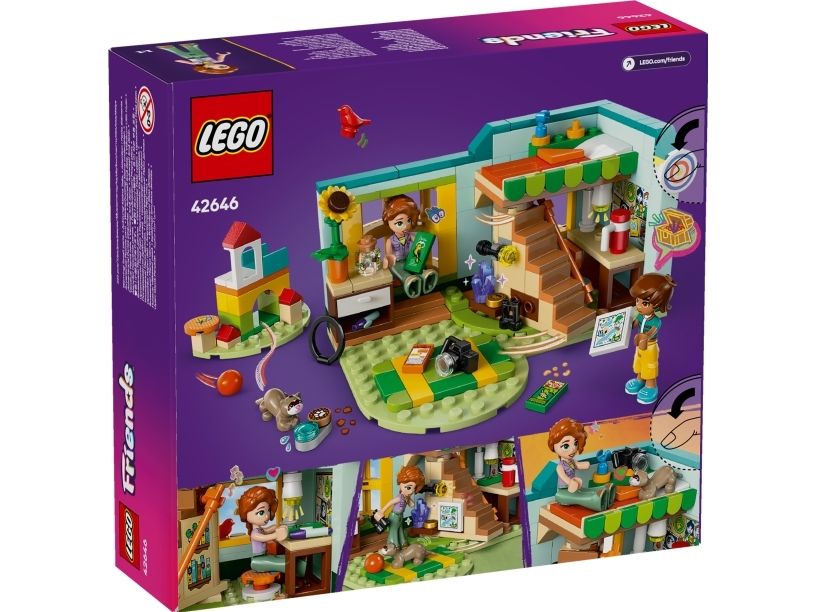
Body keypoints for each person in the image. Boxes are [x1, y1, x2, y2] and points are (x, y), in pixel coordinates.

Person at [625, 273, 677, 404]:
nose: (639, 306)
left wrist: (645, 337)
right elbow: (634, 324)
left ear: (657, 304)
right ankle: (639, 379)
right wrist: (624, 323)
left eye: (645, 303)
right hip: (639, 346)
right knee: (639, 363)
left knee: (649, 366)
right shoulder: (640, 315)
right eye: (637, 301)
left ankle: (651, 386)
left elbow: (652, 331)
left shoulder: (656, 321)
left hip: (650, 347)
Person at [548, 418, 615, 511]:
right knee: (580, 496)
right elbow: (564, 477)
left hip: (575, 486)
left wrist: (585, 465)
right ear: (554, 447)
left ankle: (603, 489)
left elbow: (579, 465)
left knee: (584, 490)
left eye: (575, 443)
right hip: (564, 491)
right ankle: (596, 500)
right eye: (566, 446)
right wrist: (570, 482)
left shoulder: (572, 461)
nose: (573, 449)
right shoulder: (560, 467)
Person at [237, 486, 303, 578]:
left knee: (284, 557)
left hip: (265, 556)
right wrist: (276, 535)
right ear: (246, 515)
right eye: (261, 512)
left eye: (268, 510)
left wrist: (277, 527)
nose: (267, 516)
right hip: (259, 559)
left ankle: (301, 567)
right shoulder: (254, 534)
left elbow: (267, 530)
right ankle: (298, 572)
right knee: (284, 563)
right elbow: (264, 537)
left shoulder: (260, 529)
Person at [382, 195, 437, 298]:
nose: (405, 226)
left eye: (409, 221)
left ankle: (424, 275)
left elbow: (418, 241)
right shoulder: (390, 240)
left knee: (415, 267)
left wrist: (422, 240)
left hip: (409, 259)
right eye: (399, 223)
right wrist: (388, 259)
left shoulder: (408, 235)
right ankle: (408, 280)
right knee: (401, 270)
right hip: (397, 262)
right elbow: (389, 254)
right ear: (388, 221)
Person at [373, 465, 424, 551]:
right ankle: (393, 545)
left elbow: (412, 505)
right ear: (401, 484)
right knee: (393, 530)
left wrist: (409, 499)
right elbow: (390, 503)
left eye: (413, 488)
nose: (411, 491)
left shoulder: (405, 497)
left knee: (400, 529)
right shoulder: (399, 498)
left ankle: (403, 543)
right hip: (394, 516)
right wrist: (382, 511)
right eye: (408, 487)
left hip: (400, 516)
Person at [157, 43, 238, 75]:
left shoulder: (198, 64)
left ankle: (169, 48)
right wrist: (222, 55)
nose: (223, 65)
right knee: (195, 49)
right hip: (201, 54)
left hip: (189, 57)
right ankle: (191, 46)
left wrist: (180, 61)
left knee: (178, 52)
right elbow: (220, 59)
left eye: (222, 67)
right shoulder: (216, 61)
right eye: (225, 65)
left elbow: (188, 63)